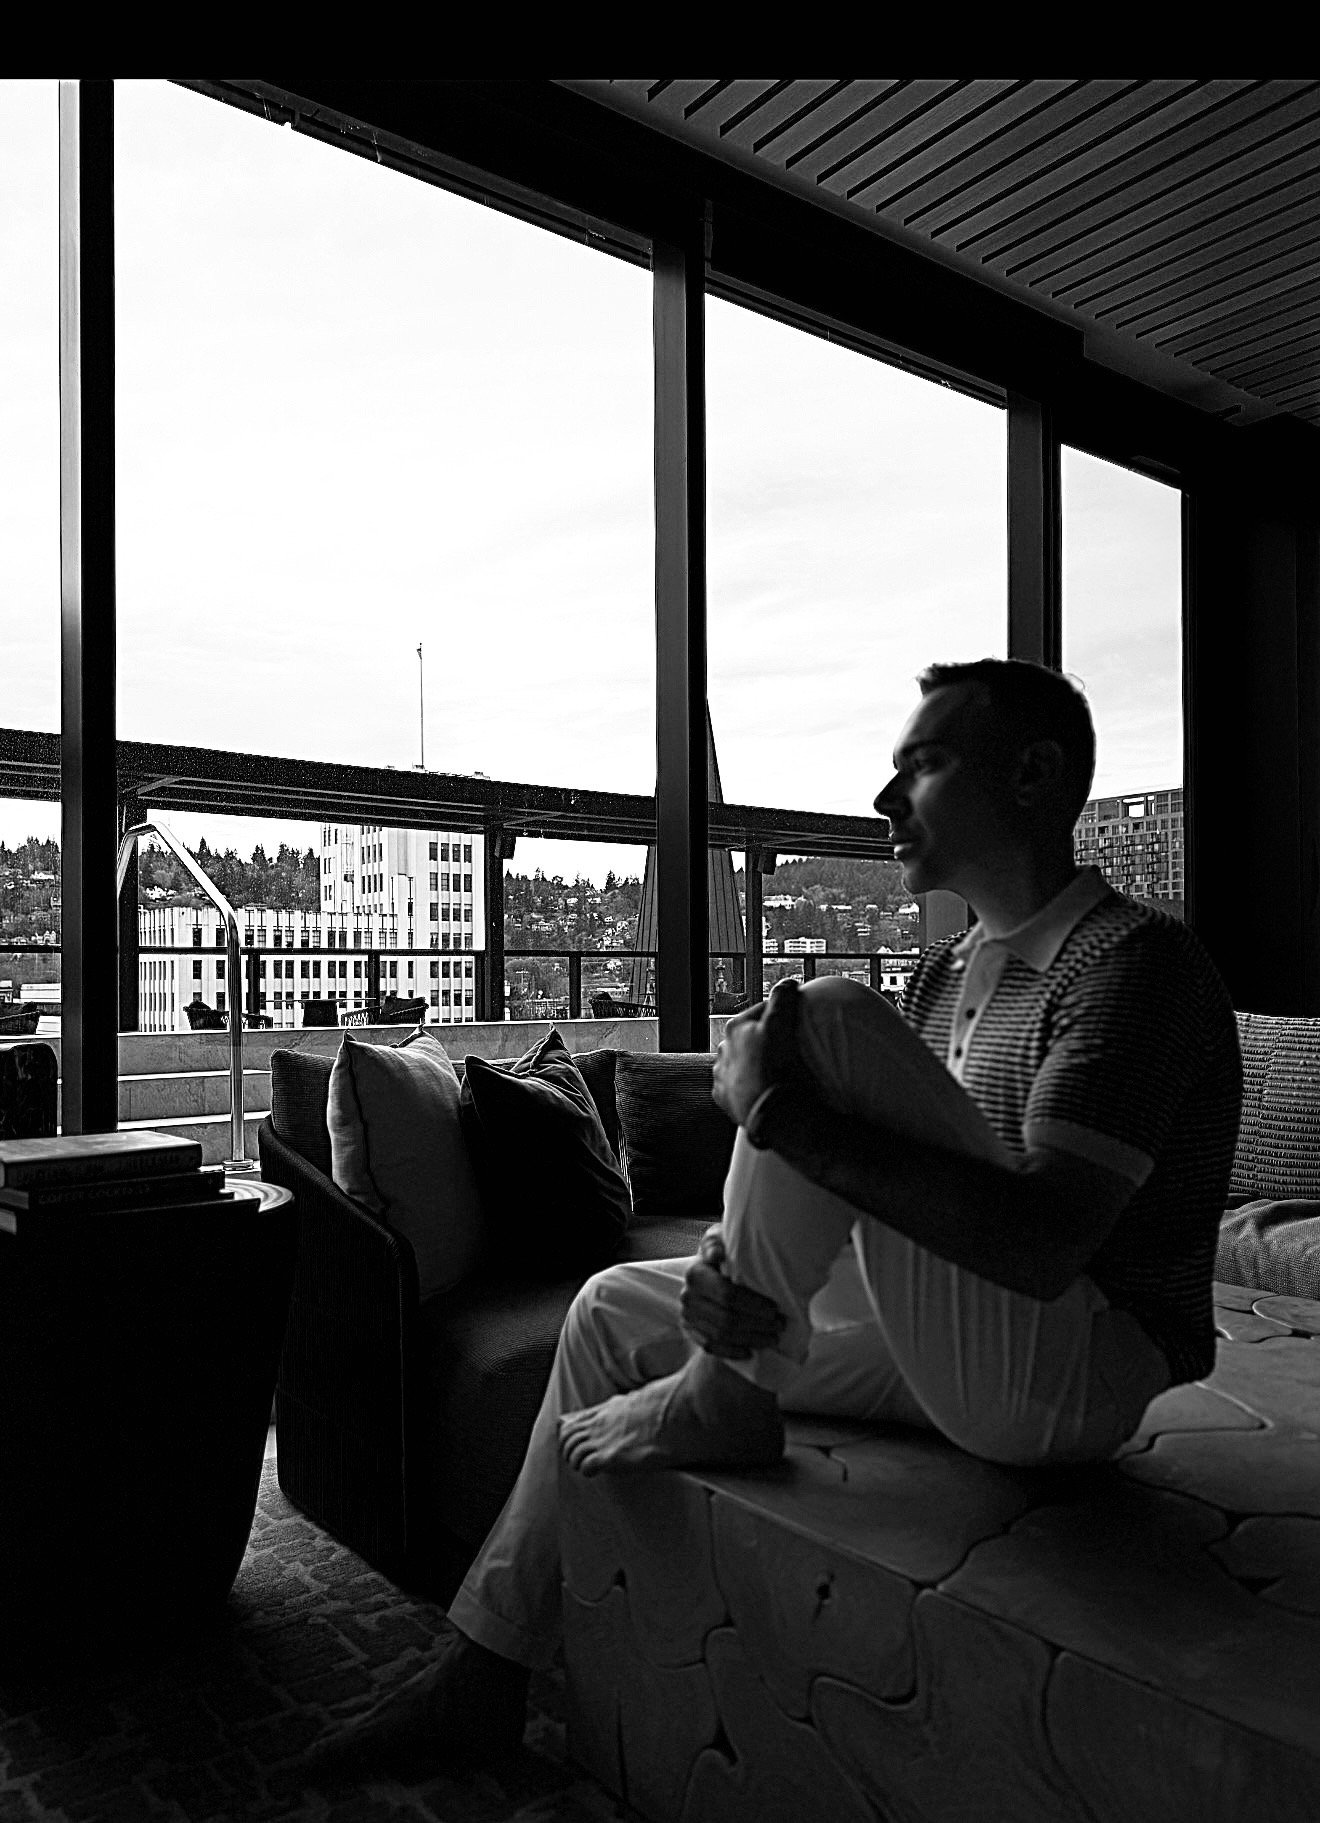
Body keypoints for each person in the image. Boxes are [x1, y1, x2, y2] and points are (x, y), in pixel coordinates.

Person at [327, 657, 1242, 1771]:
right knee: (613, 1308)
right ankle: (484, 1665)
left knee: (818, 1018)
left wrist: (774, 1103)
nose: (883, 797)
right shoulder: (948, 974)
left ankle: (723, 1388)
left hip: (1076, 1364)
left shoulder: (1133, 964)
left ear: (1037, 774)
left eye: (926, 762)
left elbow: (1041, 1243)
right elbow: (883, 1206)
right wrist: (728, 1266)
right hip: (967, 1337)